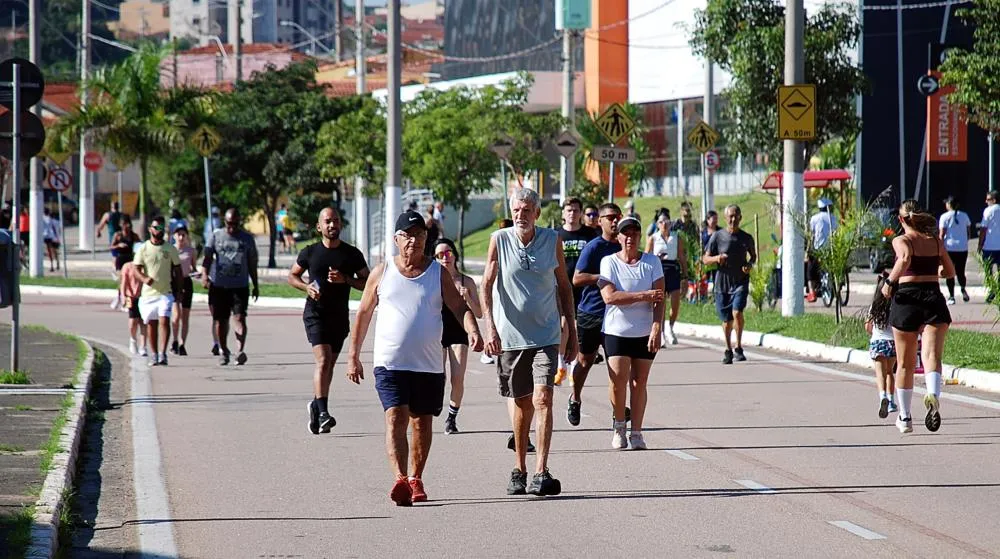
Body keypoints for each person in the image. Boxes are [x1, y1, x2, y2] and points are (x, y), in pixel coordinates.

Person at [347, 210, 483, 506]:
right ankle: (400, 479)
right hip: (390, 363)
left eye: (420, 235)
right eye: (408, 235)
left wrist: (473, 330)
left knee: (421, 422)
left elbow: (459, 307)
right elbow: (364, 313)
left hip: (428, 364)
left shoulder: (437, 273)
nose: (414, 241)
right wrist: (353, 355)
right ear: (396, 239)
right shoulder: (382, 272)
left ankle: (415, 478)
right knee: (395, 416)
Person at [482, 188, 576, 497]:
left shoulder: (552, 240)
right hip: (511, 337)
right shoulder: (499, 240)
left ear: (536, 213)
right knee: (521, 403)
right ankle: (519, 468)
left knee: (543, 398)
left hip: (546, 335)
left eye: (526, 210)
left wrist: (572, 331)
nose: (521, 215)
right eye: (516, 210)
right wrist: (490, 328)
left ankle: (541, 471)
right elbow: (486, 285)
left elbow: (564, 286)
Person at [289, 208, 369, 435]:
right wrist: (306, 287)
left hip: (339, 317)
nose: (332, 225)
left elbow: (368, 282)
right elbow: (292, 276)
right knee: (323, 361)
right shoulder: (310, 252)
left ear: (340, 224)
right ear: (319, 226)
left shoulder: (352, 254)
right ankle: (324, 413)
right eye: (327, 221)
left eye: (335, 221)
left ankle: (316, 406)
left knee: (329, 366)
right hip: (315, 314)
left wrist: (346, 279)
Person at [882, 200, 955, 434]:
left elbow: (904, 259)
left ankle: (905, 417)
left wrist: (889, 282)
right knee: (932, 356)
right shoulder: (935, 241)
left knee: (905, 363)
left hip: (908, 299)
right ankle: (932, 394)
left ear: (901, 219)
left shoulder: (901, 240)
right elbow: (950, 271)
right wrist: (938, 271)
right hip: (933, 298)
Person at [600, 216, 664, 449]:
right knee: (618, 381)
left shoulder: (652, 262)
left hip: (644, 331)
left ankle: (636, 432)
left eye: (635, 233)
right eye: (626, 233)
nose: (630, 237)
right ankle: (619, 426)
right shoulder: (609, 262)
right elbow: (610, 297)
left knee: (639, 382)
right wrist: (644, 296)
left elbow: (660, 297)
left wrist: (657, 326)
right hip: (616, 331)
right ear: (618, 237)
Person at [568, 203, 622, 427]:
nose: (615, 221)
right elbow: (577, 278)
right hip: (591, 312)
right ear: (600, 221)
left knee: (617, 366)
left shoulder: (625, 246)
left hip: (616, 314)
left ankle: (618, 412)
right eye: (610, 217)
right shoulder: (593, 247)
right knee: (585, 360)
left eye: (617, 217)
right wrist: (602, 277)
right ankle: (575, 398)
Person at [433, 238, 483, 434]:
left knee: (457, 378)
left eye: (448, 253)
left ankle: (451, 418)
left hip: (459, 331)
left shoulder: (466, 281)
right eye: (439, 255)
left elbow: (479, 313)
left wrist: (467, 297)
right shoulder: (432, 280)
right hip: (436, 331)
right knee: (438, 376)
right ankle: (437, 401)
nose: (445, 258)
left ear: (454, 254)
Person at [201, 208, 260, 366]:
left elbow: (252, 264)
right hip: (219, 286)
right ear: (224, 221)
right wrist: (204, 275)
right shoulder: (216, 236)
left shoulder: (247, 239)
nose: (232, 227)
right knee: (220, 321)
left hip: (240, 286)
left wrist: (255, 284)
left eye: (235, 224)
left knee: (240, 318)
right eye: (229, 224)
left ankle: (240, 351)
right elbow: (207, 258)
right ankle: (224, 350)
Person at [703, 204, 757, 364]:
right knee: (726, 321)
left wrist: (749, 265)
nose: (733, 219)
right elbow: (705, 259)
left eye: (736, 216)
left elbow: (753, 256)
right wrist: (717, 258)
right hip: (722, 284)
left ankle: (738, 347)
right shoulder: (717, 236)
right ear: (725, 218)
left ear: (740, 217)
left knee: (737, 312)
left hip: (740, 281)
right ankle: (728, 350)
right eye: (730, 216)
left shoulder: (746, 238)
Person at [555, 197, 597, 385]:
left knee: (580, 328)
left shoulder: (590, 234)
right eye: (569, 210)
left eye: (576, 210)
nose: (572, 213)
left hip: (585, 288)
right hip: (561, 286)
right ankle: (561, 366)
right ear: (563, 213)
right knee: (563, 325)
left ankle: (574, 368)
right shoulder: (556, 235)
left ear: (581, 213)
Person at [132, 216, 182, 366]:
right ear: (150, 229)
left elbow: (178, 271)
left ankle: (162, 354)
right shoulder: (143, 248)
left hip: (165, 293)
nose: (159, 230)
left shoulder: (170, 249)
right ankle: (154, 354)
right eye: (156, 227)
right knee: (151, 324)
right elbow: (136, 269)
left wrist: (179, 290)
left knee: (164, 320)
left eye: (161, 228)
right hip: (148, 294)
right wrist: (144, 278)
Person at [646, 209, 687, 345]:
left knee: (675, 303)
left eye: (666, 221)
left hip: (673, 269)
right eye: (661, 222)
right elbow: (646, 255)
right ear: (657, 224)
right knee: (661, 303)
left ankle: (671, 326)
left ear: (670, 223)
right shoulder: (653, 238)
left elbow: (681, 256)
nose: (664, 224)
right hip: (659, 269)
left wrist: (685, 276)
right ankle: (662, 332)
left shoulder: (676, 237)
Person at [866, 274, 898, 419]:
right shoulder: (895, 306)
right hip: (892, 343)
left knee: (880, 374)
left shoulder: (874, 306)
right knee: (890, 372)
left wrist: (873, 332)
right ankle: (891, 401)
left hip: (878, 343)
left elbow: (868, 326)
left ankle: (882, 397)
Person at [938, 196, 972, 305]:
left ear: (949, 205)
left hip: (949, 248)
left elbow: (942, 233)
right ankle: (963, 288)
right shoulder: (964, 215)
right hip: (962, 248)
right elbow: (968, 231)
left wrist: (939, 247)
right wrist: (965, 241)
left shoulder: (944, 216)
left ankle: (951, 296)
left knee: (950, 272)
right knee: (961, 271)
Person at [170, 227, 197, 356]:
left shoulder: (191, 251)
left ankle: (182, 344)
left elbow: (193, 267)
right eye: (179, 235)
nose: (181, 237)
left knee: (185, 316)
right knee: (176, 316)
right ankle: (174, 341)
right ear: (174, 236)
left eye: (183, 235)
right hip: (174, 283)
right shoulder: (170, 250)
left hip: (186, 282)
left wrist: (197, 273)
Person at [807, 198, 839, 303]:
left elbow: (811, 234)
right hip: (831, 250)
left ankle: (812, 292)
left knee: (810, 270)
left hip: (818, 250)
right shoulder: (833, 218)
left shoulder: (814, 218)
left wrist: (808, 249)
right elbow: (836, 232)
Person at [119, 245, 148, 357]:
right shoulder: (127, 266)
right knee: (133, 321)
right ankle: (133, 339)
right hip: (131, 296)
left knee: (143, 321)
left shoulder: (146, 266)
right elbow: (124, 282)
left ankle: (143, 346)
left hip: (144, 296)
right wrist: (123, 296)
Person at [110, 216, 142, 309]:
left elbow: (140, 245)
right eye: (124, 224)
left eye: (127, 224)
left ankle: (127, 304)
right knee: (122, 281)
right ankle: (120, 298)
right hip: (120, 260)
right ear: (121, 225)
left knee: (129, 283)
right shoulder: (118, 235)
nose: (126, 226)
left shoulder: (133, 235)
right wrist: (118, 245)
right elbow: (111, 246)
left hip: (129, 261)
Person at [979, 190, 1000, 303]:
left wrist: (980, 244)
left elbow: (983, 229)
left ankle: (993, 289)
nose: (986, 201)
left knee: (988, 271)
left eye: (988, 199)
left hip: (989, 246)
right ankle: (997, 289)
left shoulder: (988, 210)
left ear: (994, 200)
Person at [42, 208, 61, 272]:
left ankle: (52, 265)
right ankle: (57, 263)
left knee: (49, 251)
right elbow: (59, 230)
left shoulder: (43, 219)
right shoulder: (55, 221)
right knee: (54, 251)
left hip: (47, 236)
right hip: (54, 237)